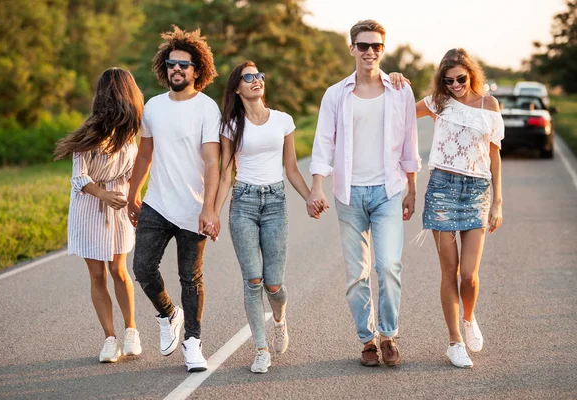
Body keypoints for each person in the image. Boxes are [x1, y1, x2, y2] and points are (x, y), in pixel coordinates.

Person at [307, 20, 421, 367]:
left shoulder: (400, 90)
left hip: (389, 190)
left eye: (376, 46)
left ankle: (388, 335)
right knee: (357, 273)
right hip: (349, 194)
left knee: (388, 266)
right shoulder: (335, 94)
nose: (370, 52)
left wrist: (412, 188)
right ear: (352, 48)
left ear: (382, 50)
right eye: (363, 45)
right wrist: (316, 186)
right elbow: (324, 142)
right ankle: (367, 341)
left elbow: (410, 142)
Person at [214, 61, 318, 374]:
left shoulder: (283, 121)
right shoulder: (231, 126)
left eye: (259, 75)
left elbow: (292, 169)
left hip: (275, 203)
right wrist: (213, 215)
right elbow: (225, 174)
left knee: (274, 284)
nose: (256, 80)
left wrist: (310, 197)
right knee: (253, 280)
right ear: (237, 87)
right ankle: (261, 350)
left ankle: (280, 320)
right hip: (243, 203)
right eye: (248, 77)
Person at [127, 26, 221, 372]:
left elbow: (212, 161)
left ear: (198, 70)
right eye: (171, 64)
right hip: (156, 203)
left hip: (193, 207)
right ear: (164, 67)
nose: (176, 70)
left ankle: (193, 344)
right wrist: (132, 193)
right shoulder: (153, 107)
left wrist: (209, 208)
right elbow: (144, 154)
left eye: (184, 65)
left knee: (190, 279)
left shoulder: (207, 109)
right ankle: (168, 313)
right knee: (142, 267)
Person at [415, 48, 503, 368]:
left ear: (471, 75)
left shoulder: (488, 105)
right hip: (441, 189)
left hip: (477, 190)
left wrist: (498, 201)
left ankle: (468, 318)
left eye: (461, 79)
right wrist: (393, 83)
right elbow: (400, 114)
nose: (455, 84)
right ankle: (454, 341)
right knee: (448, 272)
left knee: (469, 275)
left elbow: (494, 154)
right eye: (448, 80)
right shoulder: (438, 103)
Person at [54, 67, 143, 363]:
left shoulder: (131, 133)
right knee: (97, 274)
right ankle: (110, 338)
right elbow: (78, 178)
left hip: (118, 204)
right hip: (90, 204)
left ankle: (131, 330)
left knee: (119, 269)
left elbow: (133, 173)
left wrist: (134, 199)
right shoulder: (89, 133)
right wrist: (103, 194)